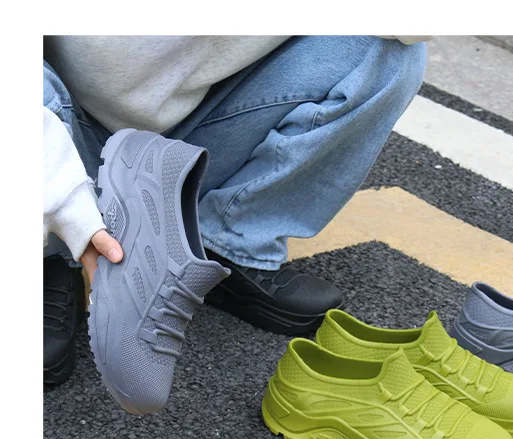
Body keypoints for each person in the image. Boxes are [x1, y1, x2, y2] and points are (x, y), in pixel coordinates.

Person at [43, 35, 429, 385]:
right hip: (53, 130)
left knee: (385, 55)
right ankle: (48, 256)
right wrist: (66, 206)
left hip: (188, 131)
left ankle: (228, 238)